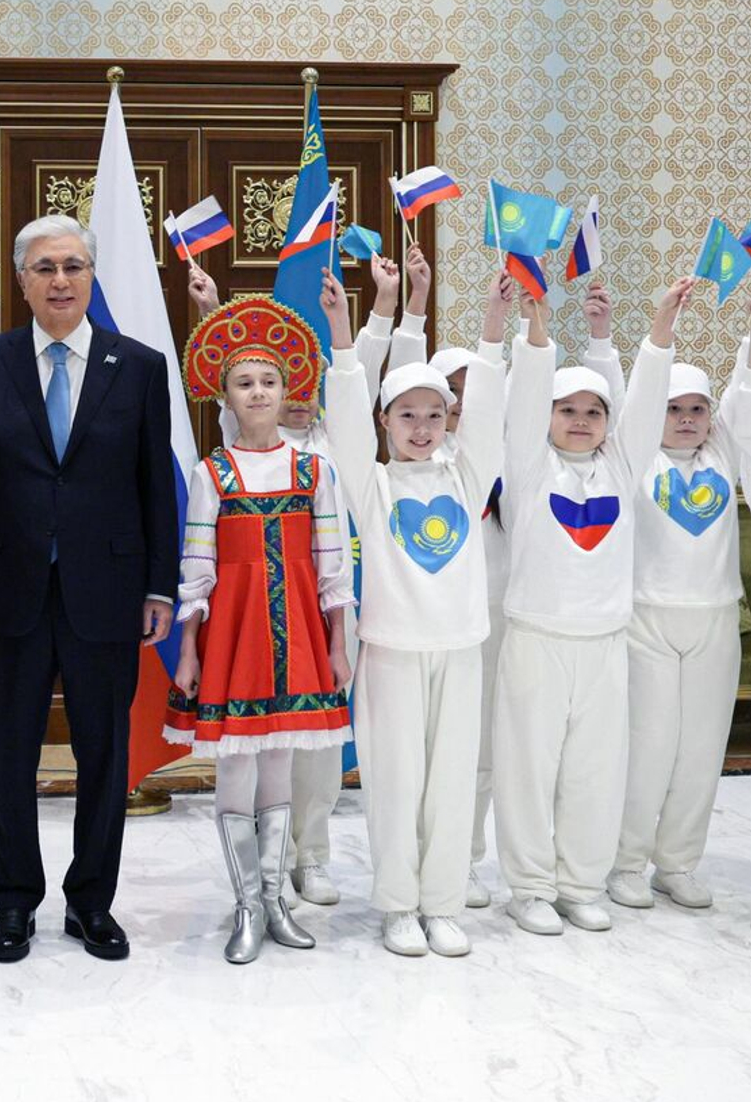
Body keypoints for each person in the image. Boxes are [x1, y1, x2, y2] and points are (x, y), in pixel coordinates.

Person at [0, 216, 176, 964]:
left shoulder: (137, 366)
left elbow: (155, 485)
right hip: (10, 587)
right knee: (8, 750)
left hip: (108, 589)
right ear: (22, 281)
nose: (60, 280)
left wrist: (159, 586)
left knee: (103, 753)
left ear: (91, 276)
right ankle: (14, 901)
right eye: (44, 267)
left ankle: (91, 902)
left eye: (74, 265)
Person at [190, 250, 426, 908]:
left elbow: (362, 363)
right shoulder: (242, 442)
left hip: (328, 605)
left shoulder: (338, 444)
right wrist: (211, 308)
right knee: (262, 744)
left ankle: (311, 854)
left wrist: (388, 300)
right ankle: (266, 873)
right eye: (266, 387)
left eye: (297, 386)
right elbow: (232, 368)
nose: (285, 399)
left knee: (318, 742)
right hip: (256, 615)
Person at [322, 267, 512, 957]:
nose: (423, 428)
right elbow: (344, 420)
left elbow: (487, 411)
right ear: (385, 421)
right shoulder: (370, 485)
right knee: (397, 782)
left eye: (436, 415)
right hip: (392, 653)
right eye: (407, 415)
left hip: (459, 649)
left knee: (452, 780)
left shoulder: (467, 477)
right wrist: (342, 335)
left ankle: (443, 904)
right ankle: (400, 905)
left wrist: (493, 326)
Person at [492, 273, 685, 936]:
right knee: (528, 769)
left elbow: (648, 401)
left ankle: (579, 884)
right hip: (536, 640)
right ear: (546, 416)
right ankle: (530, 887)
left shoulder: (623, 468)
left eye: (593, 412)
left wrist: (660, 328)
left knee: (595, 772)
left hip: (604, 643)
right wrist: (536, 330)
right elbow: (522, 401)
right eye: (566, 409)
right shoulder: (525, 466)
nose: (580, 420)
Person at [165, 295, 352, 964]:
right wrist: (189, 649)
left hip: (297, 630)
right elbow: (197, 567)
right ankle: (246, 903)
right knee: (236, 765)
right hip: (236, 636)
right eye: (245, 382)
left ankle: (275, 899)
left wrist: (338, 641)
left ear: (287, 388)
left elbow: (331, 561)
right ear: (227, 397)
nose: (259, 392)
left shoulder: (315, 470)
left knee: (281, 761)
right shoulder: (211, 473)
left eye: (269, 380)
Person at [609, 331, 751, 910]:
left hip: (715, 621)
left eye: (697, 409)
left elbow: (743, 392)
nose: (687, 419)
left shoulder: (723, 454)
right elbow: (631, 397)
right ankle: (624, 862)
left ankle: (677, 863)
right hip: (647, 622)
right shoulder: (633, 459)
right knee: (648, 747)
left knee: (701, 750)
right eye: (673, 409)